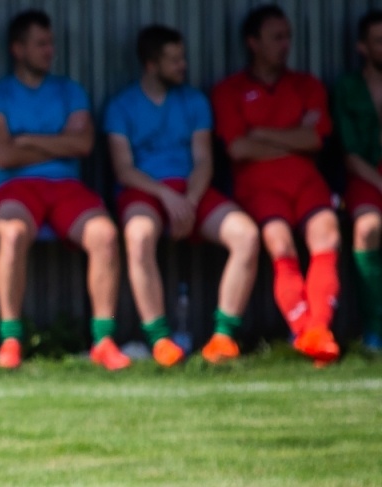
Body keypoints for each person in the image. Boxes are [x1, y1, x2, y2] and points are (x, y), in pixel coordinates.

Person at [0, 9, 127, 371]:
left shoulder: (70, 91)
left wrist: (27, 139)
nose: (50, 50)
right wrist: (59, 141)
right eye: (41, 43)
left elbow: (83, 145)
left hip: (66, 187)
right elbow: (2, 152)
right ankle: (12, 339)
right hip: (13, 187)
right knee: (12, 236)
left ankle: (104, 340)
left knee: (105, 235)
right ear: (18, 48)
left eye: (51, 43)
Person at [106, 25, 261, 366]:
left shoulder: (194, 101)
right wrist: (165, 195)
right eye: (174, 60)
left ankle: (223, 338)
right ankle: (160, 341)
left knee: (246, 234)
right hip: (144, 192)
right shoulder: (121, 106)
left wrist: (189, 200)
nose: (183, 66)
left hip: (192, 191)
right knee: (138, 235)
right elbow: (124, 170)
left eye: (183, 58)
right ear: (151, 64)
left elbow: (204, 159)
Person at [213, 4, 343, 363]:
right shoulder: (230, 90)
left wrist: (263, 135)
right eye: (277, 37)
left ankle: (320, 329)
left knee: (328, 234)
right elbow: (237, 147)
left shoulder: (307, 85)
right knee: (279, 242)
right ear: (253, 43)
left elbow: (315, 140)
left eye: (288, 37)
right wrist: (294, 135)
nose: (285, 44)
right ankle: (306, 332)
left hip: (306, 181)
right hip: (259, 185)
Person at [333, 10, 382, 348]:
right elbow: (350, 155)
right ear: (362, 47)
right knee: (367, 228)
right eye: (380, 41)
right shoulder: (347, 88)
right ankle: (374, 329)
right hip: (366, 175)